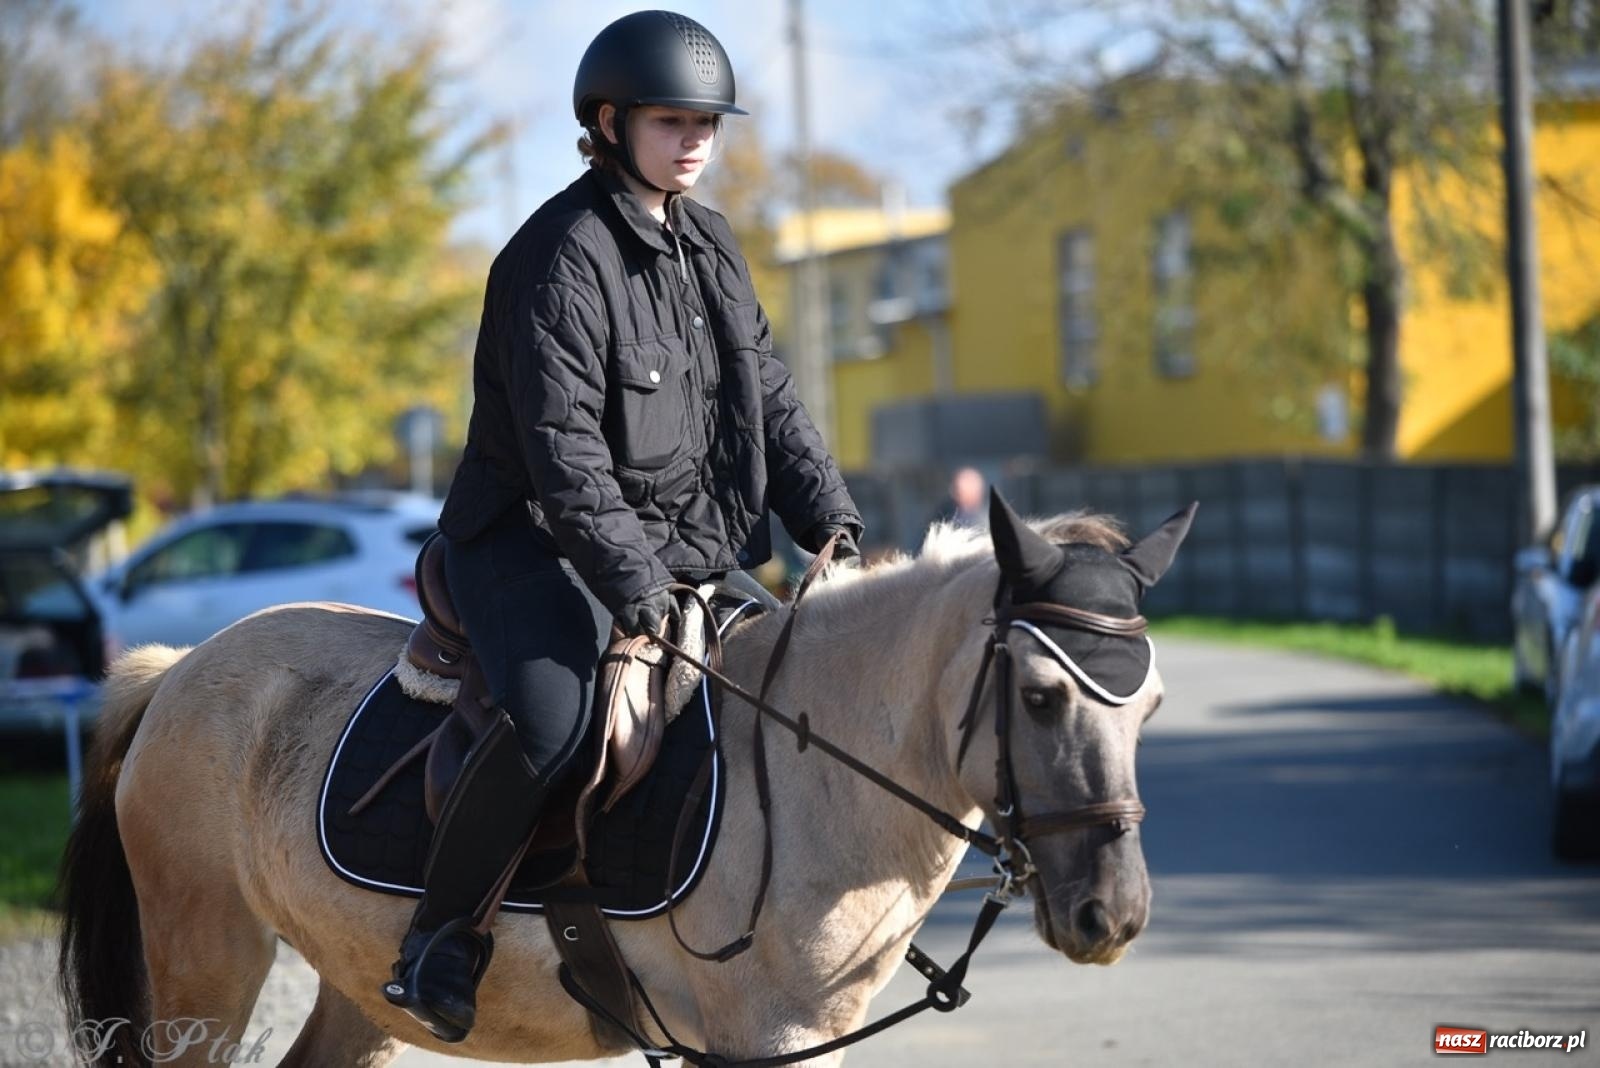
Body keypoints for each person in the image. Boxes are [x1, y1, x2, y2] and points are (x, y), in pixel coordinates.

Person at [381, 10, 864, 1043]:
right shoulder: (556, 256)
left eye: (707, 123)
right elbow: (564, 454)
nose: (695, 141)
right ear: (608, 123)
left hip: (680, 550)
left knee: (793, 686)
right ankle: (437, 939)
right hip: (533, 544)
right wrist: (638, 585)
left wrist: (832, 522)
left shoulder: (711, 244)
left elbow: (770, 400)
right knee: (554, 724)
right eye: (670, 121)